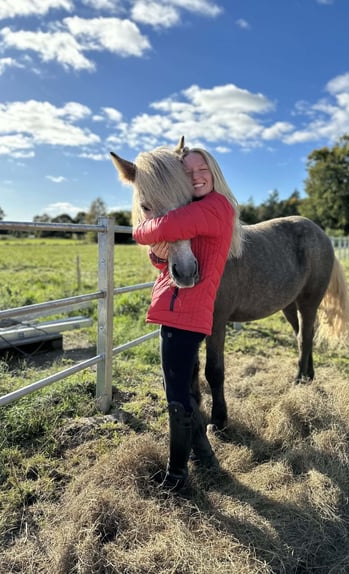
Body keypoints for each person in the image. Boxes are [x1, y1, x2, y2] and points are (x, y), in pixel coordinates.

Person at [132, 144, 243, 492]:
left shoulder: (216, 206)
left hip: (187, 313)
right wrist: (159, 255)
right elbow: (167, 258)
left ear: (214, 173)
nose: (195, 176)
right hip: (175, 307)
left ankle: (177, 477)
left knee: (177, 397)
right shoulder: (195, 208)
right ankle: (204, 456)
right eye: (189, 171)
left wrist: (139, 230)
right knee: (178, 389)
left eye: (202, 170)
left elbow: (165, 225)